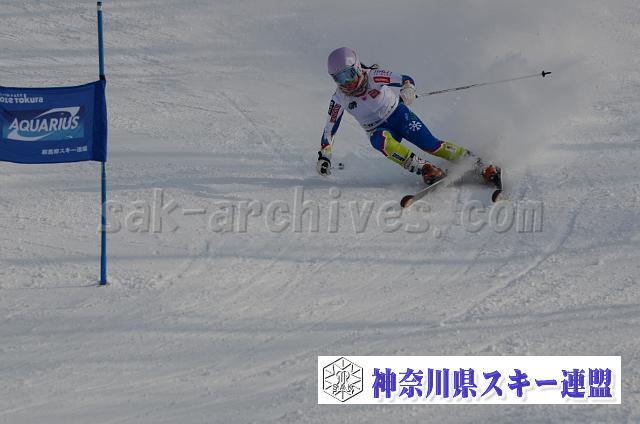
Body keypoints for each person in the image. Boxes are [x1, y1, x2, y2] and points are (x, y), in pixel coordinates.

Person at [317, 47, 499, 186]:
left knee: (431, 145)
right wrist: (325, 156)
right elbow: (329, 129)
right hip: (378, 129)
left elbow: (405, 79)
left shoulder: (374, 76)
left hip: (399, 116)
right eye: (339, 78)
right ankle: (425, 168)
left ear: (357, 67)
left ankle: (478, 164)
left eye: (349, 74)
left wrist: (408, 89)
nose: (347, 82)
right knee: (379, 141)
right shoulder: (339, 98)